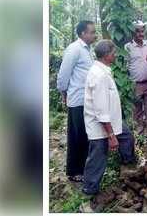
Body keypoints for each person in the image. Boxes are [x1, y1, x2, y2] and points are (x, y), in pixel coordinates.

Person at [82, 40, 136, 195]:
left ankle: (127, 166)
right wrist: (111, 136)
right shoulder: (99, 76)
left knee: (127, 138)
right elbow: (101, 111)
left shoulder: (103, 70)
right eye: (113, 53)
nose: (116, 55)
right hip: (101, 125)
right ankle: (89, 189)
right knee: (98, 157)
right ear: (106, 55)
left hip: (112, 121)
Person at [56, 20, 97, 182]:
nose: (94, 35)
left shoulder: (88, 50)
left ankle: (83, 169)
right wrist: (64, 93)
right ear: (82, 34)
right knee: (77, 136)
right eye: (92, 32)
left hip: (86, 99)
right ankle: (74, 172)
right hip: (77, 99)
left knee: (85, 135)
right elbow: (64, 75)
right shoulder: (74, 49)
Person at [124, 20, 147, 142]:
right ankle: (139, 137)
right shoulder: (128, 47)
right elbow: (125, 66)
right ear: (133, 32)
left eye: (142, 31)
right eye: (137, 31)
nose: (140, 34)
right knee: (137, 111)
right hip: (135, 84)